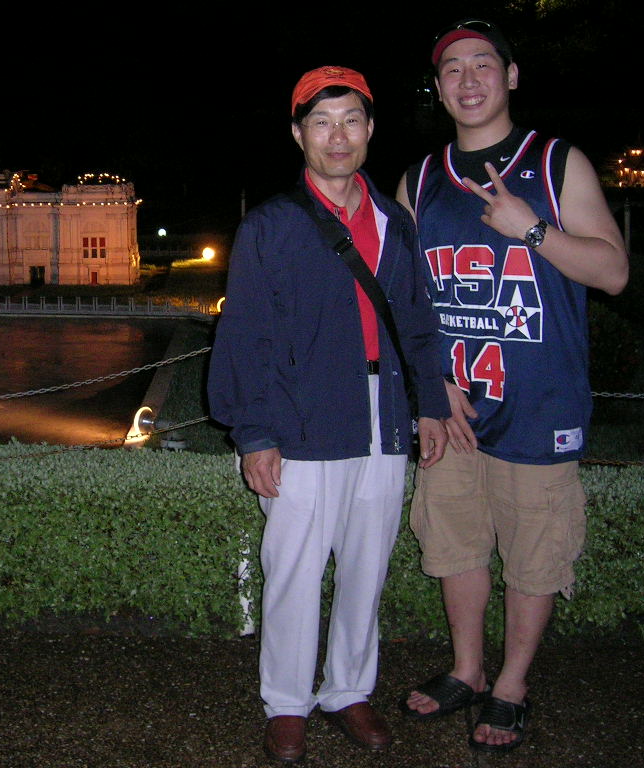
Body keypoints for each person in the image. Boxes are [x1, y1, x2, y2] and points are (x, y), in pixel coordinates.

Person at [396, 19, 628, 754]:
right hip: (455, 408)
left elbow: (614, 272)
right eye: (452, 70)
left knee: (536, 551)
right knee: (455, 541)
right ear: (438, 90)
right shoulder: (420, 179)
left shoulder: (556, 163)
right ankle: (467, 669)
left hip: (540, 404)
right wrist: (431, 381)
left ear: (511, 75)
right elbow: (403, 298)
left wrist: (531, 229)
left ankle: (513, 684)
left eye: (483, 65)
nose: (468, 80)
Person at [207, 65, 450, 761]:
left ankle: (347, 689)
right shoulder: (271, 226)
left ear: (370, 129)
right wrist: (255, 433)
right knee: (293, 567)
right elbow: (244, 335)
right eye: (321, 122)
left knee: (367, 565)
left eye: (350, 120)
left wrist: (430, 406)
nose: (337, 136)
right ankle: (286, 701)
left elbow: (416, 320)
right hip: (301, 416)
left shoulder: (394, 222)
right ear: (298, 134)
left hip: (383, 411)